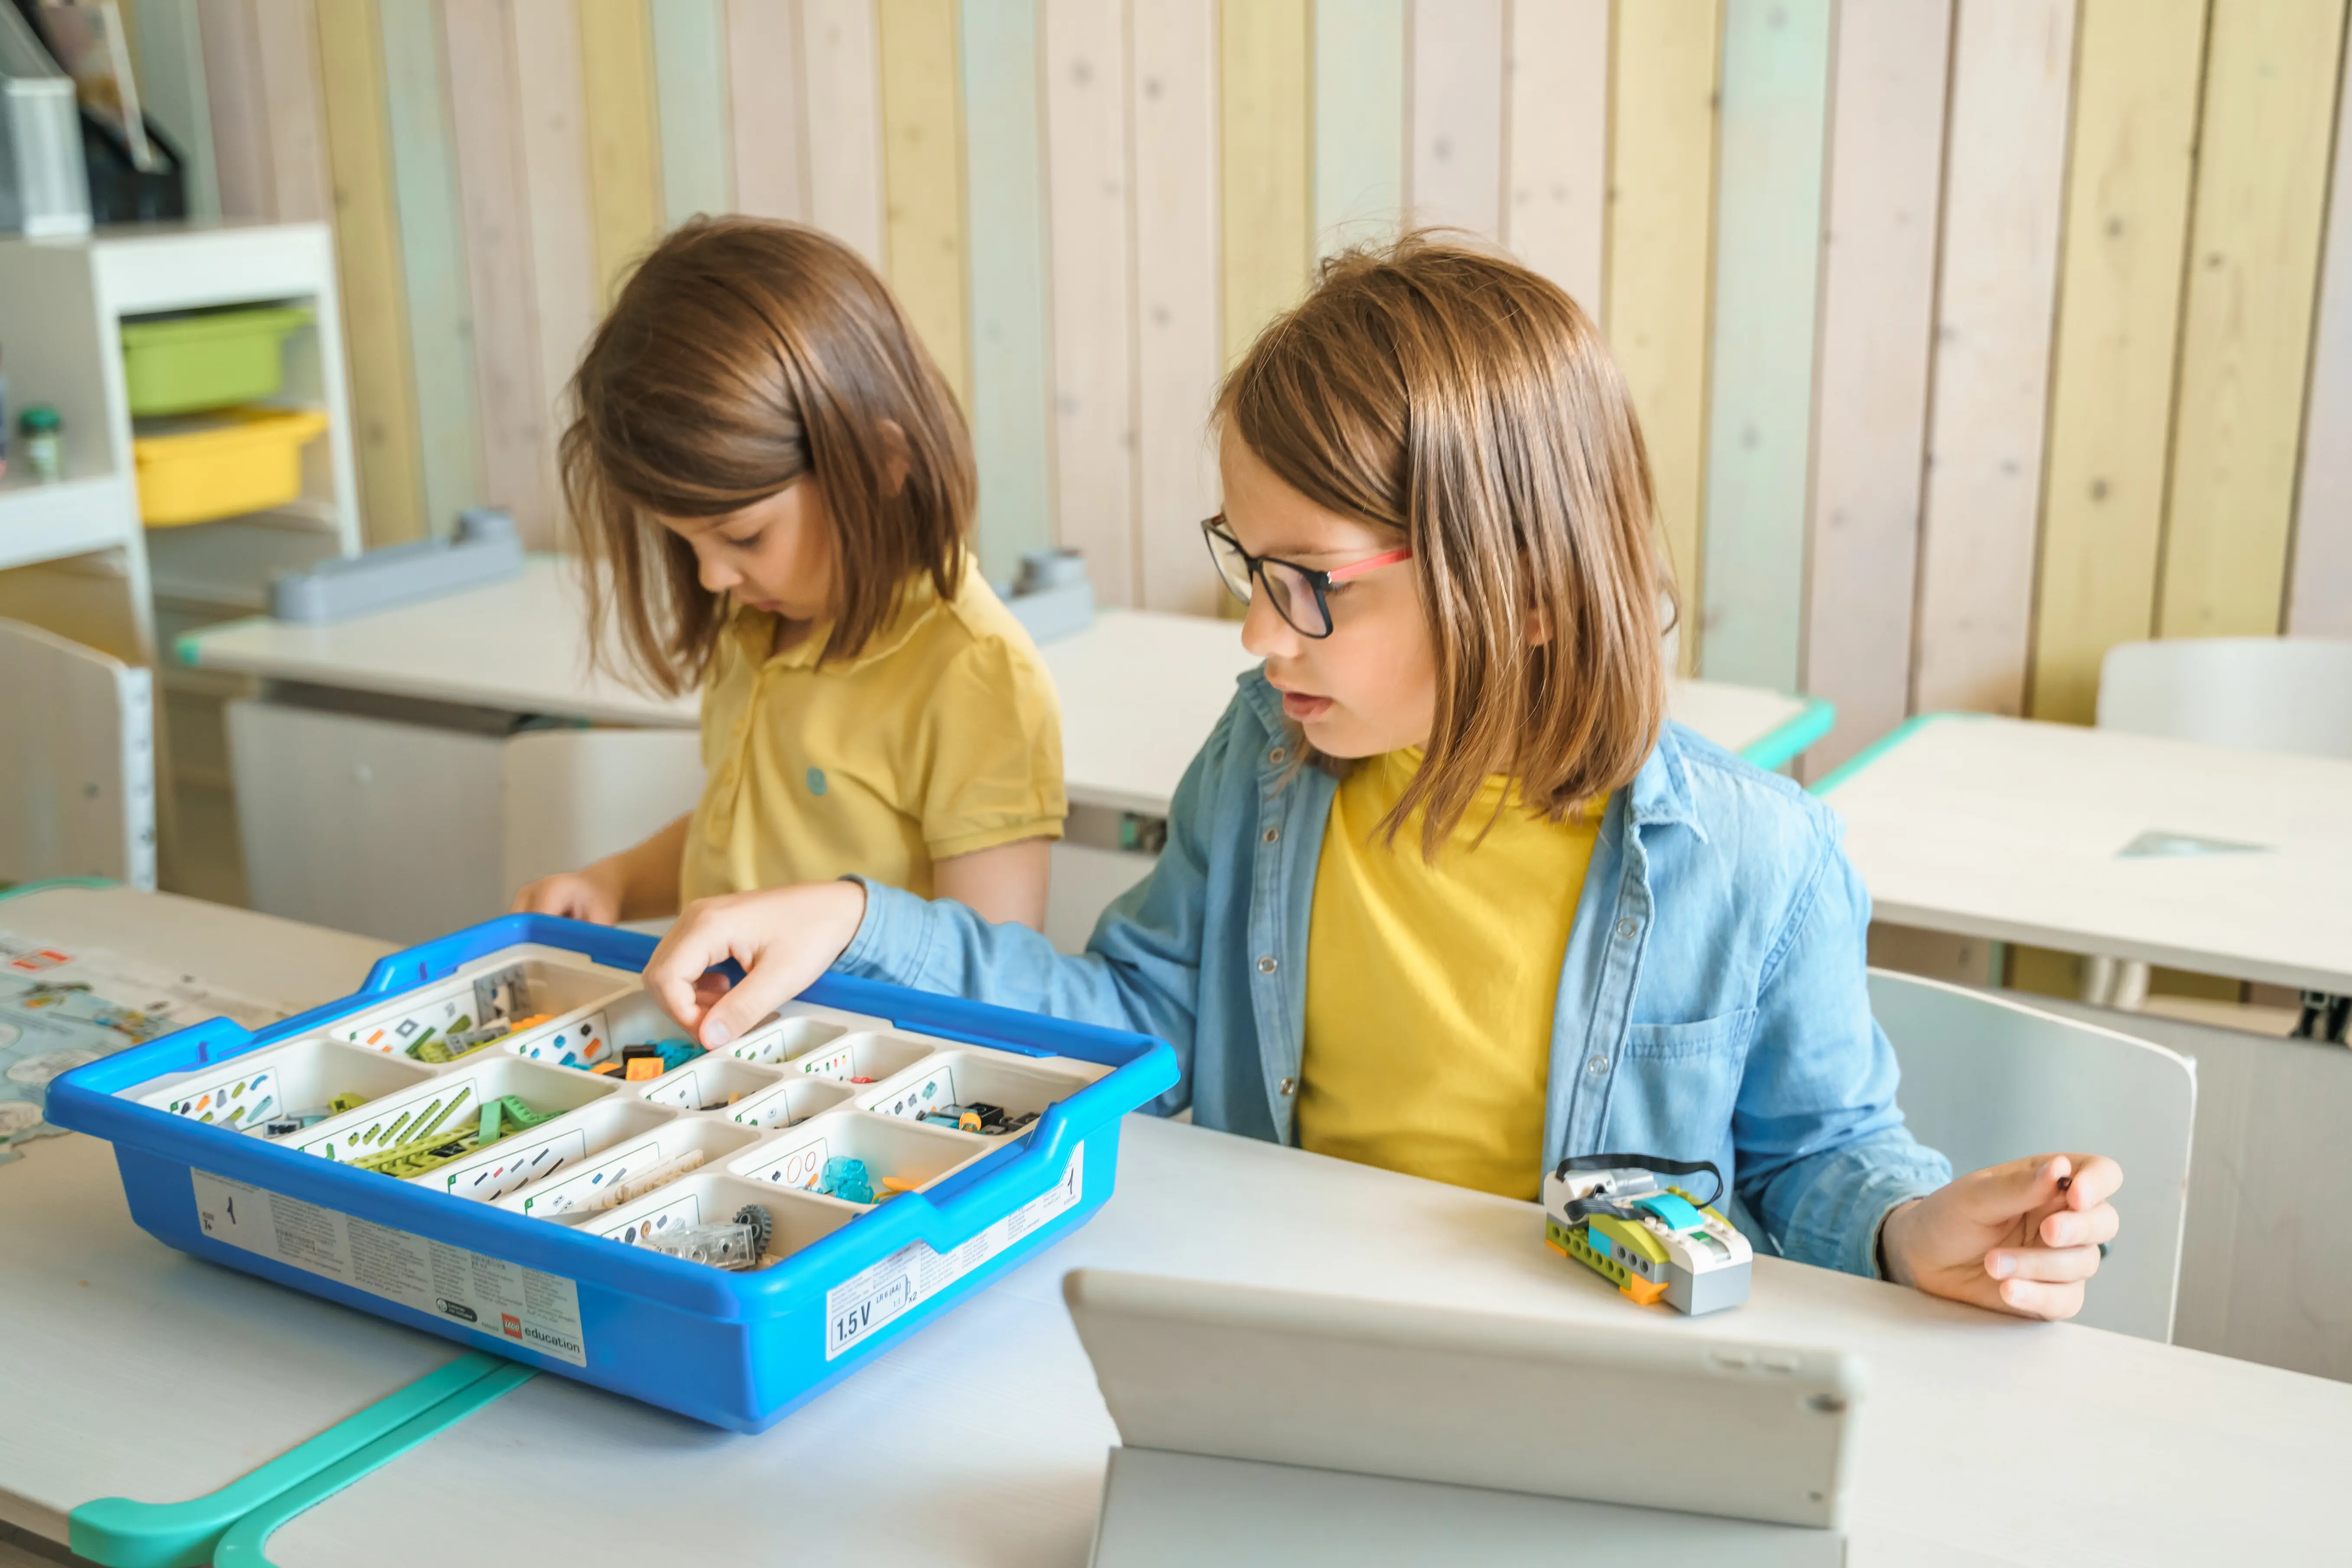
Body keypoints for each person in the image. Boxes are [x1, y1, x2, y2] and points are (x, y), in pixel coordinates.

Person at [636, 234, 2121, 1321]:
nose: (1255, 630)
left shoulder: (1758, 856)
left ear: (1523, 588)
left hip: (1580, 1375)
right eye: (1249, 566)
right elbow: (1136, 1020)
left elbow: (1817, 1158)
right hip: (1281, 1320)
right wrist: (858, 919)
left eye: (1310, 584)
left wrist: (1910, 1229)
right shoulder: (1268, 756)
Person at [511, 218, 1066, 931]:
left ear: (880, 464)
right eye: (684, 542)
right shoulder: (758, 622)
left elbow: (990, 965)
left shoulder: (976, 673)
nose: (711, 577)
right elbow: (743, 837)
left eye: (742, 536)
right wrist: (613, 883)